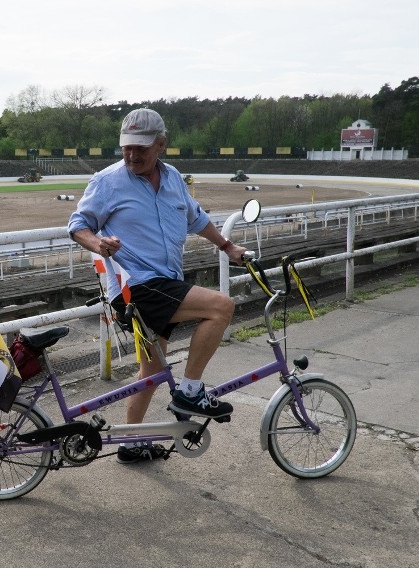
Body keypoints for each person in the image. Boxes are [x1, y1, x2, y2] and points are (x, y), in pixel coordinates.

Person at [67, 108, 247, 464]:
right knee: (221, 306)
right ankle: (191, 392)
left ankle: (130, 444)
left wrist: (227, 246)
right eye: (126, 148)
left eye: (142, 149)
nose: (132, 155)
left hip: (165, 285)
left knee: (149, 372)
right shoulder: (107, 181)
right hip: (138, 288)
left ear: (161, 145)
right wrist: (98, 245)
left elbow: (196, 218)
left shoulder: (174, 179)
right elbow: (77, 225)